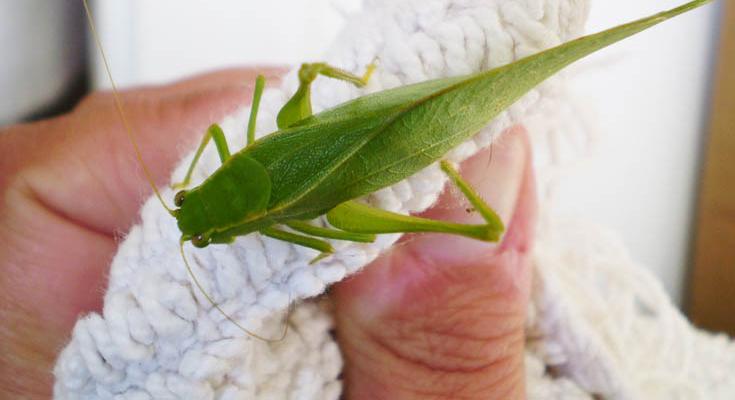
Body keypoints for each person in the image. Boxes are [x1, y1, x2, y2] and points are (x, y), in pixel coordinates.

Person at [0, 68, 537, 399]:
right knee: (295, 82)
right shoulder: (230, 159)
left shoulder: (250, 227)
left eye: (186, 200)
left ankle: (456, 196)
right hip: (346, 149)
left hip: (362, 154)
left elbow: (323, 245)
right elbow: (243, 107)